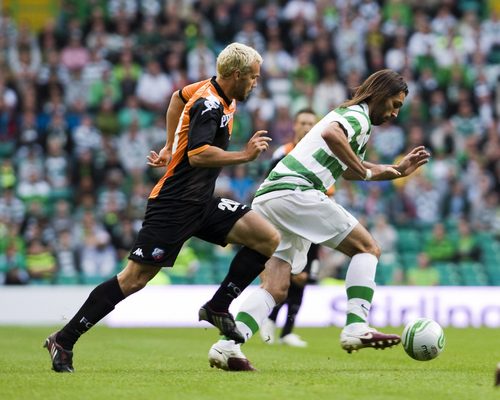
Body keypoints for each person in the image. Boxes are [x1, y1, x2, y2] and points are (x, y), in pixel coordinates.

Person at [44, 42, 280, 373]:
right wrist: (245, 155)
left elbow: (176, 98)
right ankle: (64, 339)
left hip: (201, 202)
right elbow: (198, 155)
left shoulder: (214, 90)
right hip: (174, 203)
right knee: (133, 279)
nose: (256, 82)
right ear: (237, 75)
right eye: (253, 77)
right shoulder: (210, 105)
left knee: (267, 237)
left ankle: (217, 306)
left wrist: (169, 145)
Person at [207, 69, 431, 371]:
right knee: (368, 248)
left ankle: (227, 346)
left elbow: (350, 169)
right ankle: (356, 326)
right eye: (395, 104)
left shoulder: (352, 118)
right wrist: (366, 171)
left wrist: (396, 170)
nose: (394, 113)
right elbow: (332, 136)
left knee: (275, 286)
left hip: (272, 197)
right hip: (297, 192)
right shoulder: (358, 116)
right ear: (379, 95)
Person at [259, 108, 319, 347]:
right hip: (284, 227)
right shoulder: (282, 154)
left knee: (303, 280)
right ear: (294, 125)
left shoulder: (321, 155)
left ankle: (287, 332)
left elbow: (327, 194)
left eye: (311, 123)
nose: (306, 127)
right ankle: (269, 320)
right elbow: (267, 188)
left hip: (311, 229)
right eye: (303, 122)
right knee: (283, 277)